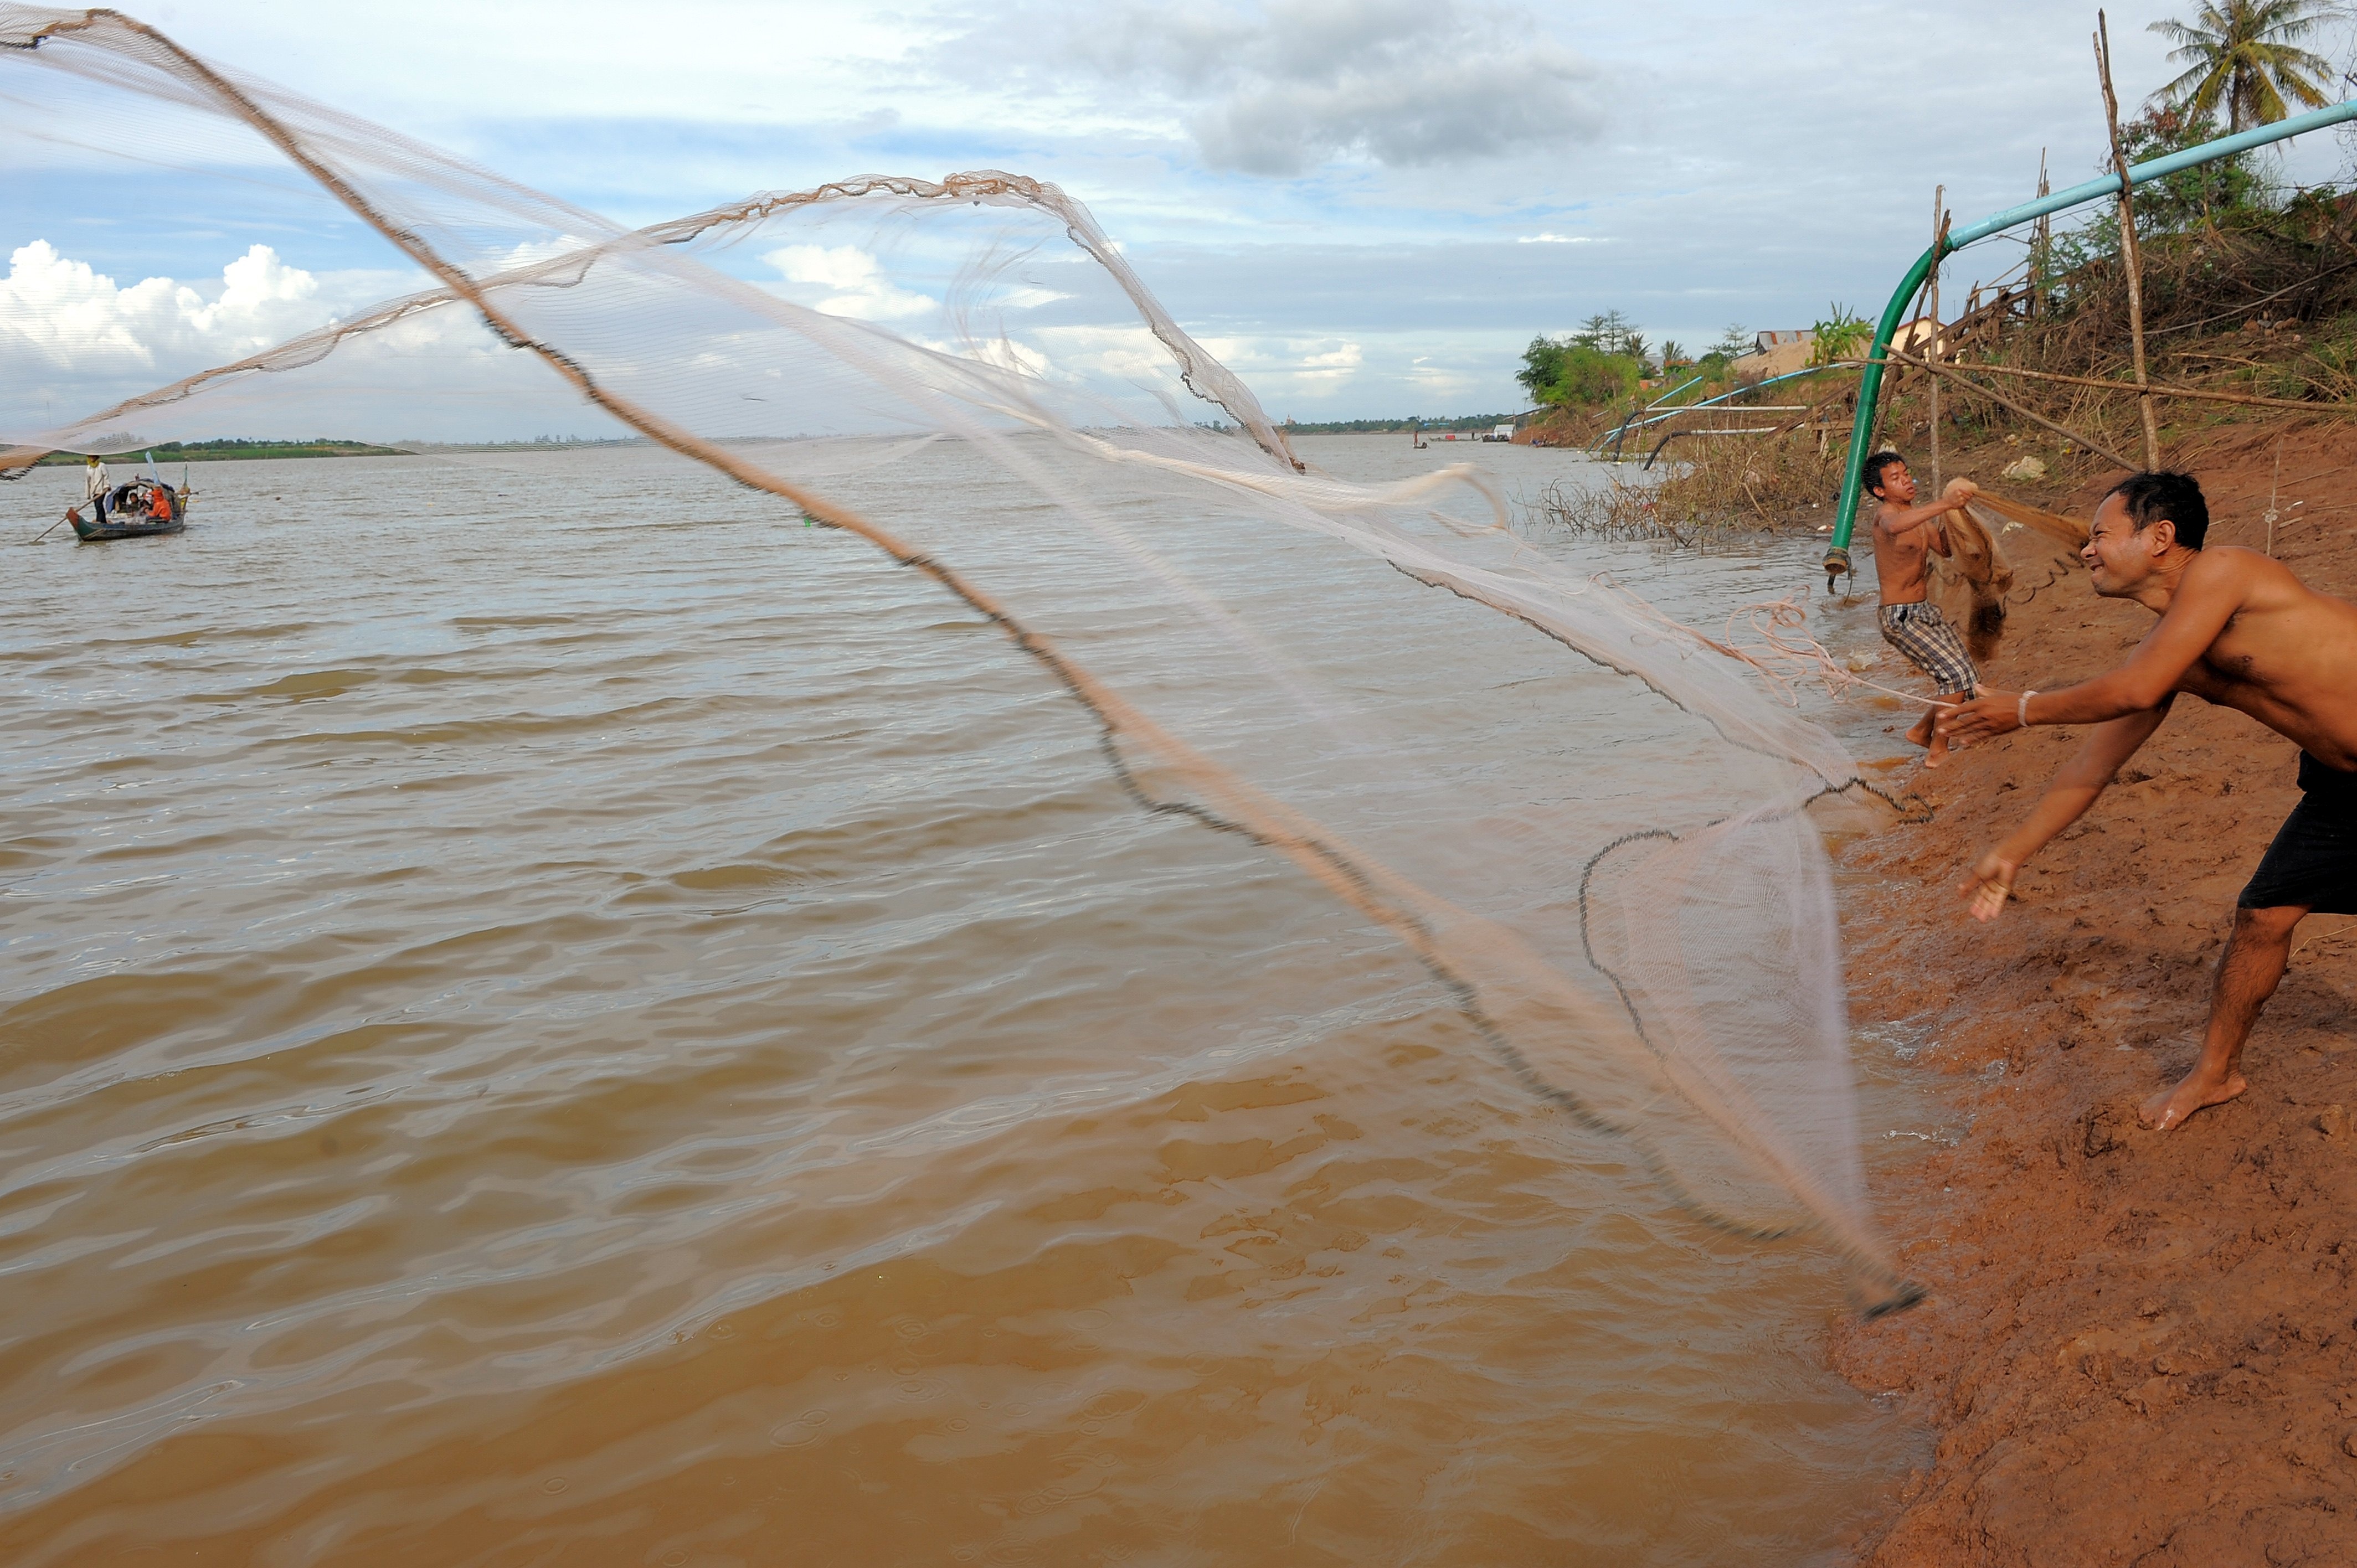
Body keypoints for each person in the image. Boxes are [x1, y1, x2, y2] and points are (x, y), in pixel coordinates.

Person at [1938, 471, 2357, 1131]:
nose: (2085, 551)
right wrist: (2012, 853)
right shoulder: (2169, 654)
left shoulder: (2224, 570)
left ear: (2159, 537)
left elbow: (2130, 690)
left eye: (2100, 535)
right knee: (2263, 916)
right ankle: (2214, 1075)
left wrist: (2021, 709)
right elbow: (2092, 765)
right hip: (2342, 787)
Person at [1864, 450, 1982, 764]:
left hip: (1924, 612)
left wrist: (1956, 516)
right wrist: (1945, 503)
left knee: (1967, 676)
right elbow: (1894, 527)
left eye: (1906, 474)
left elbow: (1944, 549)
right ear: (1880, 491)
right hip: (1900, 617)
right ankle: (1937, 751)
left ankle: (1920, 731)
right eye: (1895, 478)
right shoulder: (1886, 517)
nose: (1906, 481)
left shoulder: (1919, 520)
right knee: (1954, 675)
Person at [83, 454, 109, 524]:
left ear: (97, 457)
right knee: (97, 507)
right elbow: (87, 481)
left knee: (99, 505)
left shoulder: (101, 465)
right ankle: (103, 522)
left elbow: (106, 476)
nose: (92, 458)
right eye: (90, 457)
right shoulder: (89, 468)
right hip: (94, 490)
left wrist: (107, 486)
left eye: (93, 457)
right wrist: (87, 494)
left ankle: (100, 521)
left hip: (102, 489)